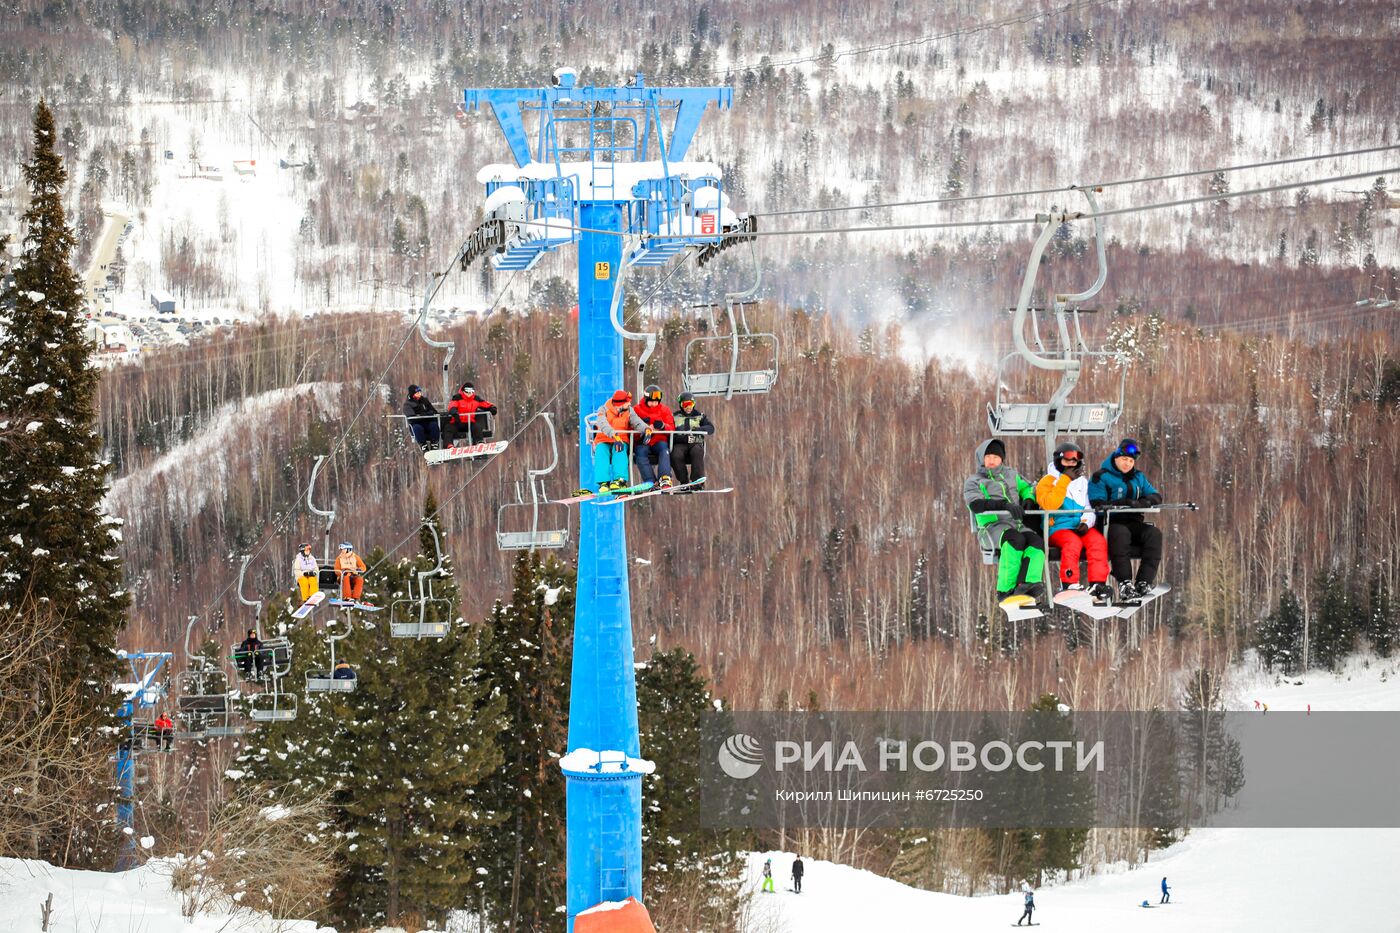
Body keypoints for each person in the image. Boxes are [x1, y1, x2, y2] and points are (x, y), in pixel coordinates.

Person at [964, 439, 1047, 603]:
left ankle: (1028, 583)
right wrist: (1004, 505)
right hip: (991, 527)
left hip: (1016, 524)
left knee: (1036, 541)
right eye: (988, 457)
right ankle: (1005, 589)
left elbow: (1027, 487)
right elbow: (975, 504)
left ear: (1002, 459)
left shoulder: (1012, 474)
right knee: (1014, 539)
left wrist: (1028, 499)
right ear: (981, 459)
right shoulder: (974, 481)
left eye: (995, 457)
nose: (992, 460)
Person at [1087, 437, 1165, 601]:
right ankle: (1125, 583)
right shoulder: (1101, 477)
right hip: (1110, 524)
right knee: (1121, 534)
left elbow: (1156, 495)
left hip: (1133, 523)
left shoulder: (1138, 477)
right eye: (1124, 459)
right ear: (1115, 458)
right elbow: (1097, 503)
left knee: (1154, 534)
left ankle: (1143, 582)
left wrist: (1145, 501)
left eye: (1130, 460)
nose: (1127, 463)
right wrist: (1123, 503)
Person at [1035, 442, 1113, 601]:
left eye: (1074, 461)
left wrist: (1086, 522)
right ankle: (1069, 583)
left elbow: (1088, 505)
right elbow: (1050, 504)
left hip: (1078, 525)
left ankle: (1097, 584)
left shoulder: (1082, 482)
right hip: (1057, 527)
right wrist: (1064, 480)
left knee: (1097, 541)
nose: (1071, 464)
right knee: (1073, 543)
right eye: (1067, 461)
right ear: (1058, 461)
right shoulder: (1047, 481)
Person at [582, 390, 650, 495]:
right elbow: (602, 423)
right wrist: (614, 435)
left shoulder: (629, 411)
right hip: (603, 438)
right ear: (621, 403)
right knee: (601, 452)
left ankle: (620, 480)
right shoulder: (604, 409)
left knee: (619, 451)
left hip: (621, 440)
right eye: (627, 402)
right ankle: (603, 482)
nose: (630, 404)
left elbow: (637, 422)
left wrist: (646, 429)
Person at [633, 384, 676, 488]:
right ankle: (650, 481)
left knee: (664, 450)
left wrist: (662, 426)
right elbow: (630, 425)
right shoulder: (637, 410)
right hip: (643, 441)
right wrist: (642, 427)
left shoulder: (664, 410)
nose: (654, 404)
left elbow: (672, 427)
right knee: (640, 453)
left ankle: (664, 478)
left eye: (656, 402)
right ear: (646, 399)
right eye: (651, 401)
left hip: (658, 440)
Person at [671, 392, 715, 490]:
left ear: (694, 404)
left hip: (695, 442)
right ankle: (684, 481)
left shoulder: (700, 416)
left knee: (697, 452)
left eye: (690, 404)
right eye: (685, 405)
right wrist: (680, 437)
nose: (688, 407)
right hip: (680, 442)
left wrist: (699, 429)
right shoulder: (675, 416)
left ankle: (697, 482)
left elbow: (711, 428)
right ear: (681, 405)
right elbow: (669, 429)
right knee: (675, 454)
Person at [444, 382, 498, 447]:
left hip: (469, 422)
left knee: (477, 427)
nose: (469, 394)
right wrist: (454, 413)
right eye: (467, 392)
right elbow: (452, 406)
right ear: (463, 391)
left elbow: (485, 404)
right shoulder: (457, 398)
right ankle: (449, 445)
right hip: (457, 421)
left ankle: (479, 443)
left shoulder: (476, 399)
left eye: (471, 392)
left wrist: (492, 408)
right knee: (448, 428)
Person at [402, 384, 441, 450]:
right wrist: (421, 415)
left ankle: (434, 443)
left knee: (433, 425)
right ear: (412, 394)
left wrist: (428, 413)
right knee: (417, 428)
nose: (419, 394)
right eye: (417, 393)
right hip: (417, 423)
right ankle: (423, 445)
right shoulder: (408, 404)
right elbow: (411, 416)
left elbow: (433, 411)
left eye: (420, 392)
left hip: (427, 422)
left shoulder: (424, 401)